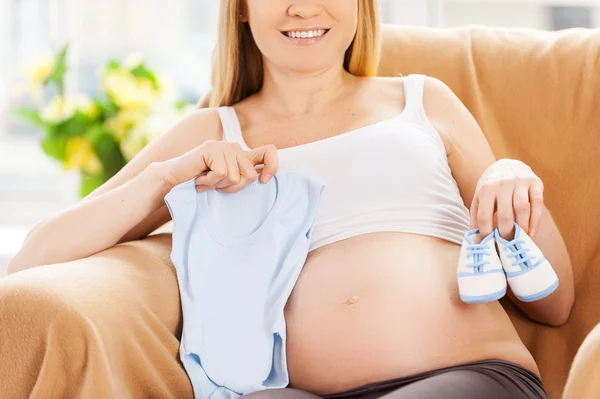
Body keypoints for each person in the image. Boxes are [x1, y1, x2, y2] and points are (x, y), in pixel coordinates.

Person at [3, 0, 574, 398]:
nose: (304, 7)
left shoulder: (422, 103)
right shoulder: (211, 133)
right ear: (244, 6)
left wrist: (516, 187)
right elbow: (34, 258)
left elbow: (557, 306)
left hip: (468, 375)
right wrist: (163, 179)